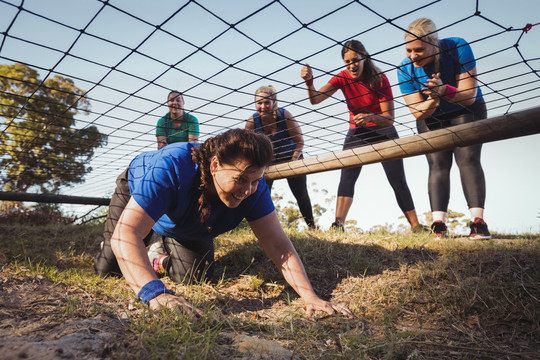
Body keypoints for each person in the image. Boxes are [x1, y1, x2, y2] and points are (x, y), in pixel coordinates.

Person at [94, 128, 352, 319]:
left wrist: (311, 296)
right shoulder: (171, 166)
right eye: (240, 179)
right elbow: (124, 235)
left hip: (186, 222)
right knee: (110, 268)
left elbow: (278, 245)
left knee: (194, 277)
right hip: (138, 194)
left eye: (255, 180)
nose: (247, 190)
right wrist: (155, 293)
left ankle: (157, 258)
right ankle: (148, 241)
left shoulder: (254, 188)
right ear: (215, 165)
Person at [300, 40, 425, 233]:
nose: (352, 65)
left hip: (383, 129)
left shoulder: (379, 79)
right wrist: (309, 82)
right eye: (347, 61)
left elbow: (389, 119)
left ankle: (416, 226)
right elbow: (315, 99)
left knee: (397, 179)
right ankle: (338, 224)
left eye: (355, 60)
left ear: (364, 57)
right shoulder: (342, 78)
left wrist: (370, 117)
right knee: (347, 175)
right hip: (357, 131)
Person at [397, 18, 490, 240]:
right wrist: (434, 100)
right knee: (437, 164)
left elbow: (469, 96)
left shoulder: (458, 47)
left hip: (466, 109)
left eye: (418, 50)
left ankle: (478, 223)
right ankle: (438, 225)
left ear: (434, 43)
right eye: (409, 50)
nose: (412, 55)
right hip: (433, 115)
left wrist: (444, 90)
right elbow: (418, 111)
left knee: (467, 158)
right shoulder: (404, 68)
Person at [245, 85, 318, 230]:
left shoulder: (285, 116)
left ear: (274, 102)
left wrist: (293, 162)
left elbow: (299, 142)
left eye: (267, 102)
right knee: (262, 192)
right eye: (259, 103)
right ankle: (265, 228)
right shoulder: (252, 122)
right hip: (269, 161)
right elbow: (247, 146)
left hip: (292, 156)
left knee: (300, 193)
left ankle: (311, 226)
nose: (263, 106)